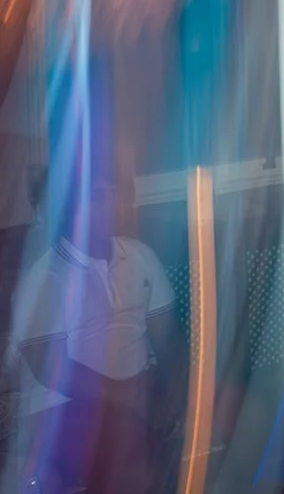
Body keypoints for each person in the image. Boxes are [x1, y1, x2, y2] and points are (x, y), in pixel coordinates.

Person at [11, 165, 187, 494]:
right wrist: (129, 397)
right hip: (62, 408)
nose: (112, 204)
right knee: (125, 442)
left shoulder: (140, 257)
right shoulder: (45, 277)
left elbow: (169, 339)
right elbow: (49, 368)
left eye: (115, 194)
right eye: (97, 196)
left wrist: (174, 394)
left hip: (133, 395)